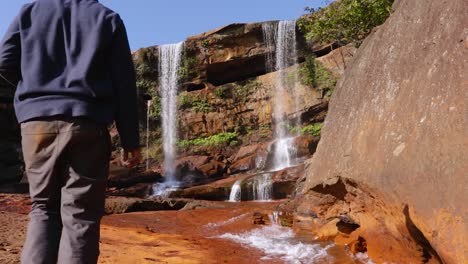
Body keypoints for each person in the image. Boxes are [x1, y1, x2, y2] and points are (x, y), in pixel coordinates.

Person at [0, 0, 141, 263]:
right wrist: (130, 140)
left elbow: (4, 62)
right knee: (81, 214)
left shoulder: (30, 11)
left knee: (42, 207)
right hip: (88, 122)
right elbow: (124, 86)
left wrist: (33, 91)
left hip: (36, 124)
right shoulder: (106, 18)